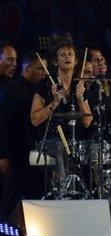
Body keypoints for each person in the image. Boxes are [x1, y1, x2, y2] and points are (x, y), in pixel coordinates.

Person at [30, 42, 93, 181]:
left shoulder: (79, 86)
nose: (67, 57)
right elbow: (34, 120)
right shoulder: (44, 84)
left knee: (92, 148)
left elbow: (87, 122)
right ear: (55, 61)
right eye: (62, 55)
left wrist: (80, 97)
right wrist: (55, 102)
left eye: (70, 54)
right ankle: (64, 191)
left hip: (73, 141)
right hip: (48, 142)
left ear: (76, 61)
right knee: (60, 147)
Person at [0, 52, 48, 220]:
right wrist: (2, 155)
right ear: (27, 69)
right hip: (14, 154)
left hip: (28, 153)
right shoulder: (13, 90)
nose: (44, 73)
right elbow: (2, 122)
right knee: (10, 199)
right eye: (40, 68)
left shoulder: (35, 90)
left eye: (46, 69)